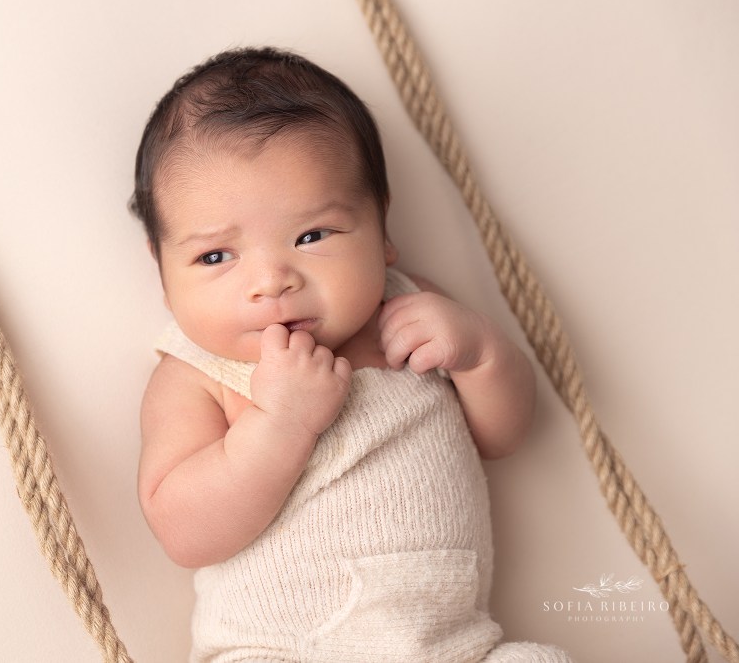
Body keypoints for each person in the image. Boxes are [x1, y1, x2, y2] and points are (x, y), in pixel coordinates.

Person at [130, 47, 571, 663]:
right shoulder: (195, 375)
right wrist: (281, 422)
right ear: (161, 267)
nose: (271, 281)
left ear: (381, 229)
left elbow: (503, 436)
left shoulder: (412, 310)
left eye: (311, 236)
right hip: (281, 649)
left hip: (449, 645)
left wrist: (480, 356)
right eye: (215, 257)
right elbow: (183, 532)